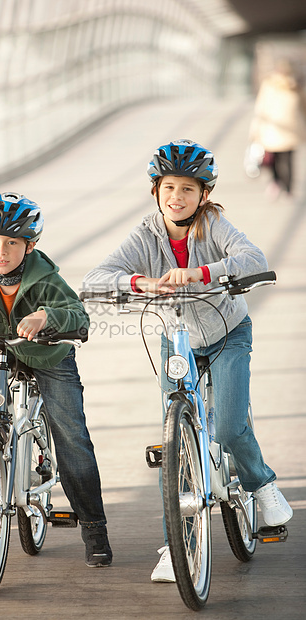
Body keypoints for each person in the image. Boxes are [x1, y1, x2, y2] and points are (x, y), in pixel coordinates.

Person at [83, 140, 293, 581]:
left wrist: (200, 273)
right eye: (169, 188)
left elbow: (252, 257)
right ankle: (176, 547)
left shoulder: (213, 225)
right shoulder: (146, 233)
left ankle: (261, 482)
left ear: (204, 196)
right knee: (176, 448)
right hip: (176, 342)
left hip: (226, 335)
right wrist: (139, 282)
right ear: (156, 190)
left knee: (231, 424)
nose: (176, 197)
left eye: (188, 190)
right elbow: (96, 278)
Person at [0, 192, 112, 568]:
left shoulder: (45, 277)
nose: (1, 250)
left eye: (12, 242)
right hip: (3, 349)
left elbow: (77, 315)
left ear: (28, 246)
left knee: (72, 438)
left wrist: (46, 317)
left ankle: (94, 528)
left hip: (49, 355)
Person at [249, 59, 306, 198]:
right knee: (288, 159)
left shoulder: (269, 85)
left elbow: (261, 107)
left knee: (273, 158)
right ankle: (288, 188)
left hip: (271, 129)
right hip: (290, 129)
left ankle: (276, 183)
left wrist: (255, 129)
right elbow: (303, 107)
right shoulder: (296, 86)